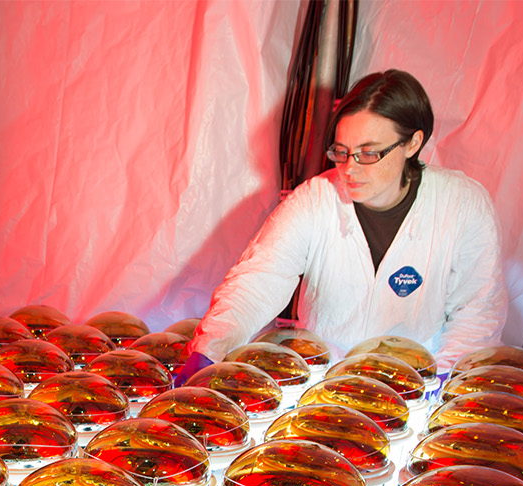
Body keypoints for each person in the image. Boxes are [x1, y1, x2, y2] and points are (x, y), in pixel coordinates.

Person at [182, 69, 506, 377]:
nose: (349, 169)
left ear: (413, 143)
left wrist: (442, 389)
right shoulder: (315, 199)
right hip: (321, 386)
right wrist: (210, 351)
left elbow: (477, 314)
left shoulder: (462, 205)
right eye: (341, 151)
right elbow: (256, 282)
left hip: (417, 389)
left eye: (368, 153)